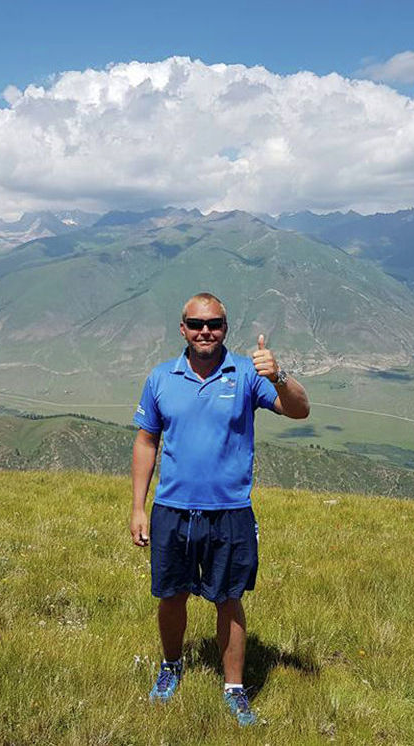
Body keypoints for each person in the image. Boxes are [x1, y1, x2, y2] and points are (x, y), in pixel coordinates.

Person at [130, 292, 310, 726]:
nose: (205, 331)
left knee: (229, 599)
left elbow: (300, 410)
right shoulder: (161, 377)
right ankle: (171, 666)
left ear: (226, 329)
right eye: (196, 324)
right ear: (182, 329)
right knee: (171, 595)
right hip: (172, 508)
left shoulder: (247, 373)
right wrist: (138, 507)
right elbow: (147, 441)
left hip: (231, 511)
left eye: (214, 324)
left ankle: (234, 688)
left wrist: (280, 375)